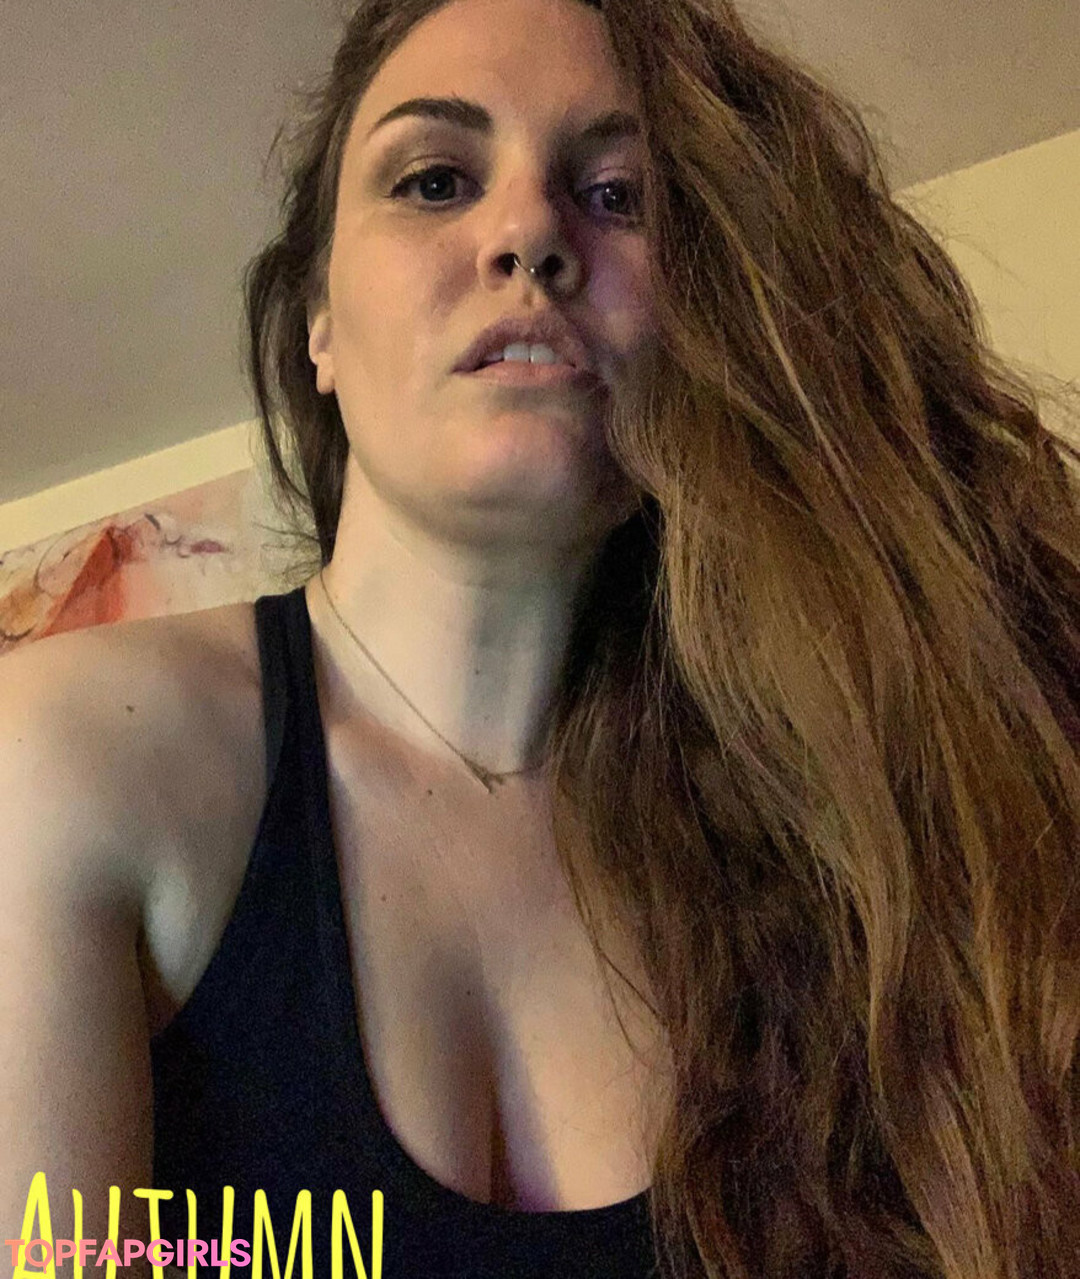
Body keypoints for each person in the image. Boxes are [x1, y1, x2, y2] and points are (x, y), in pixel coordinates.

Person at [3, 0, 1078, 1275]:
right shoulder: (70, 750)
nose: (528, 233)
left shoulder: (833, 835)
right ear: (320, 323)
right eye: (435, 179)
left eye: (619, 197)